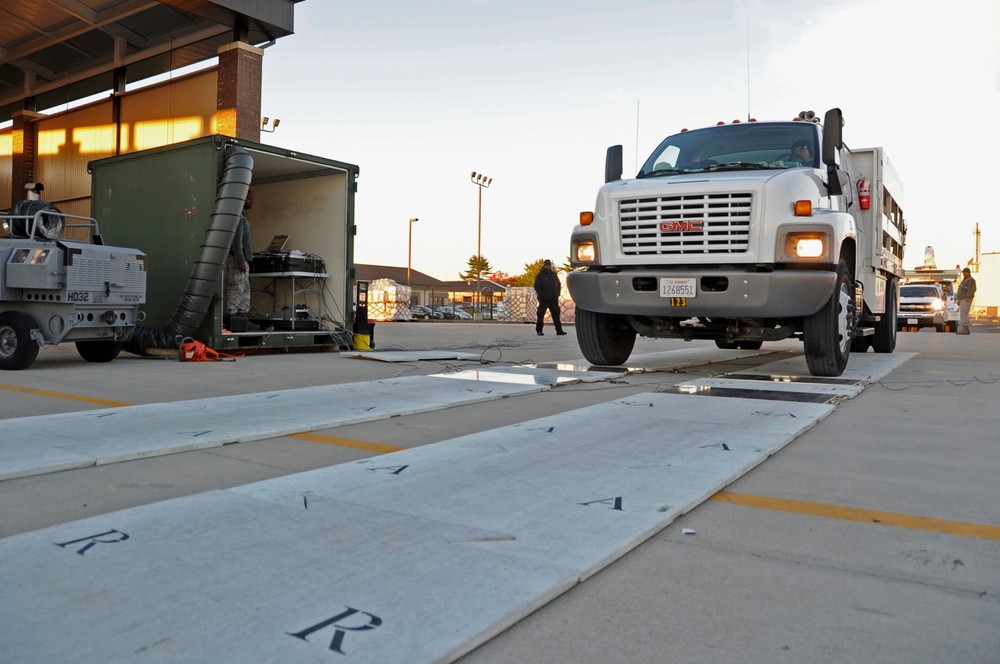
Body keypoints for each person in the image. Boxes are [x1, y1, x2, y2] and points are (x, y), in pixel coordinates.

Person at [225, 189, 254, 325]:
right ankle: (232, 319)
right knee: (236, 289)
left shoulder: (244, 217)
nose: (252, 201)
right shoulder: (239, 218)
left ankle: (243, 320)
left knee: (244, 291)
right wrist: (240, 260)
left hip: (243, 260)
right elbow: (237, 242)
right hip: (237, 260)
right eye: (249, 198)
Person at [533, 259, 566, 336]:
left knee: (556, 315)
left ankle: (559, 331)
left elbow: (559, 284)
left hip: (554, 299)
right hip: (544, 300)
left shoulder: (554, 274)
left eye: (549, 265)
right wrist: (541, 295)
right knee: (541, 315)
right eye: (546, 265)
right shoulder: (540, 275)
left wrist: (558, 294)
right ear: (544, 266)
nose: (548, 266)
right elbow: (537, 286)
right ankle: (539, 330)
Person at [954, 267, 977, 335]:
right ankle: (965, 328)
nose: (964, 273)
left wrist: (968, 296)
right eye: (963, 272)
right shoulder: (965, 280)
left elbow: (973, 289)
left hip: (966, 299)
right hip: (963, 299)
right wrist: (959, 299)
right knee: (963, 313)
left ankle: (965, 329)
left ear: (968, 273)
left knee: (964, 313)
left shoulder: (970, 280)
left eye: (965, 272)